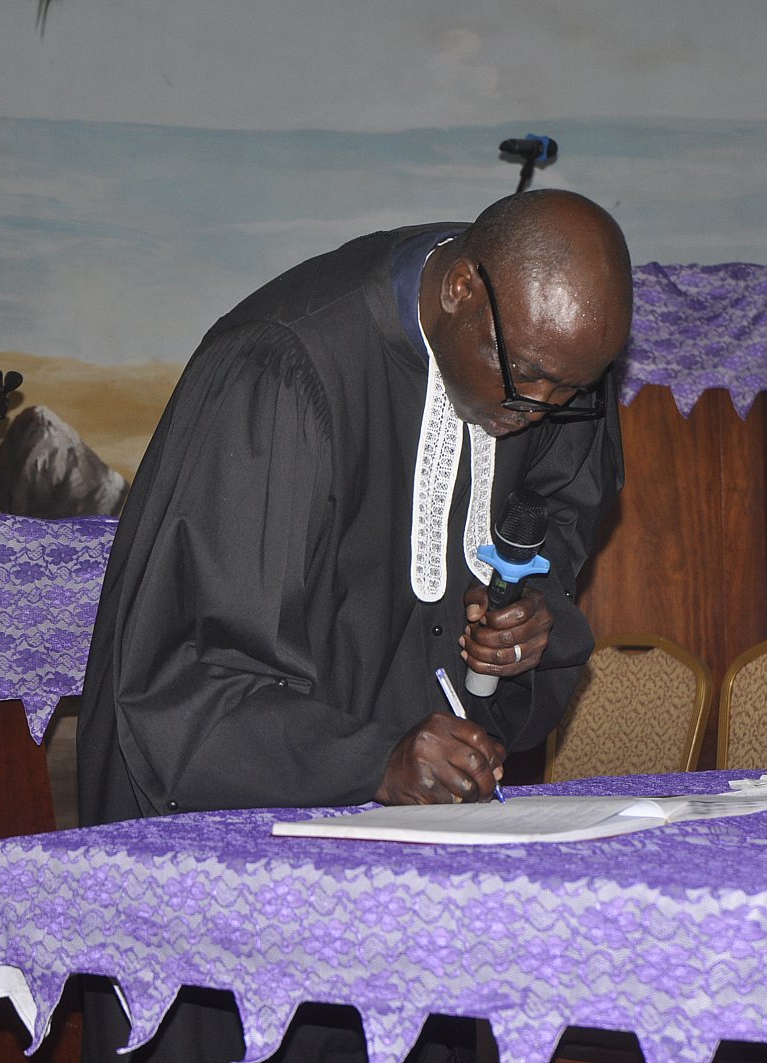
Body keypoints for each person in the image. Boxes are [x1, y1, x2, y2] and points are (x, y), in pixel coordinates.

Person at [77, 188, 633, 1062]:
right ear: (460, 289)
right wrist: (371, 759)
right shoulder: (280, 373)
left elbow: (550, 523)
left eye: (573, 391)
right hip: (235, 870)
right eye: (526, 375)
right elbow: (182, 679)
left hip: (413, 861)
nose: (538, 410)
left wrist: (526, 621)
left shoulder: (546, 370)